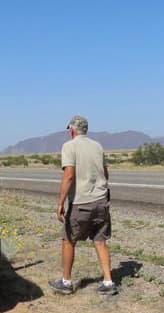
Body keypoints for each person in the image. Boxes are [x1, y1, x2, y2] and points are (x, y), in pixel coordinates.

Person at [48, 115, 117, 295]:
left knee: (68, 240)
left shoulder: (69, 146)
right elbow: (106, 173)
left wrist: (60, 203)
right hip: (101, 200)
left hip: (81, 202)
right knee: (100, 241)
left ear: (71, 129)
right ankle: (108, 282)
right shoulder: (97, 146)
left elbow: (69, 176)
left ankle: (66, 282)